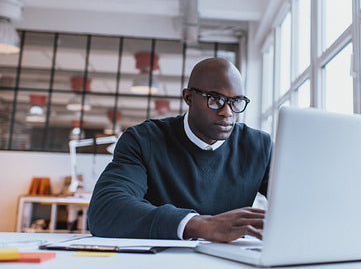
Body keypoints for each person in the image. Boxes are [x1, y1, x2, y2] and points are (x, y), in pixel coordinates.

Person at [87, 57, 272, 242]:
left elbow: (297, 201)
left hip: (232, 261)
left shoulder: (259, 146)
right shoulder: (144, 140)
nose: (228, 112)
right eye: (215, 99)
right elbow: (105, 210)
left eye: (236, 101)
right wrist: (199, 225)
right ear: (189, 97)